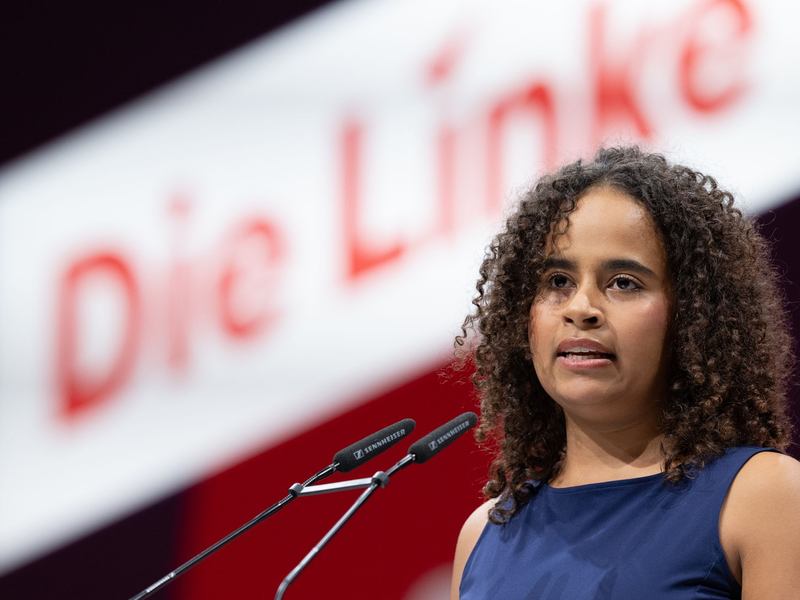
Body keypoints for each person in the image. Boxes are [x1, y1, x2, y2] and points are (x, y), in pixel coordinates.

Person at [450, 146, 800, 599]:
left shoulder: (763, 496)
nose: (581, 308)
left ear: (692, 315)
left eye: (623, 283)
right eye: (558, 281)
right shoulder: (483, 533)